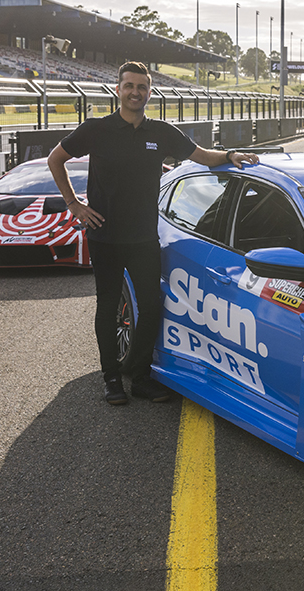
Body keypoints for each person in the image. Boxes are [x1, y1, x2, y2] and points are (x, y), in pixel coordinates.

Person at [48, 61, 258, 405]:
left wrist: (232, 154)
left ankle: (141, 376)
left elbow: (203, 156)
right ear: (118, 89)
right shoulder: (95, 129)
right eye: (129, 86)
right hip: (104, 235)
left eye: (142, 87)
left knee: (151, 305)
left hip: (144, 236)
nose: (135, 92)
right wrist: (74, 204)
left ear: (149, 91)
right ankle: (112, 377)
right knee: (108, 308)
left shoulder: (161, 131)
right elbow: (56, 159)